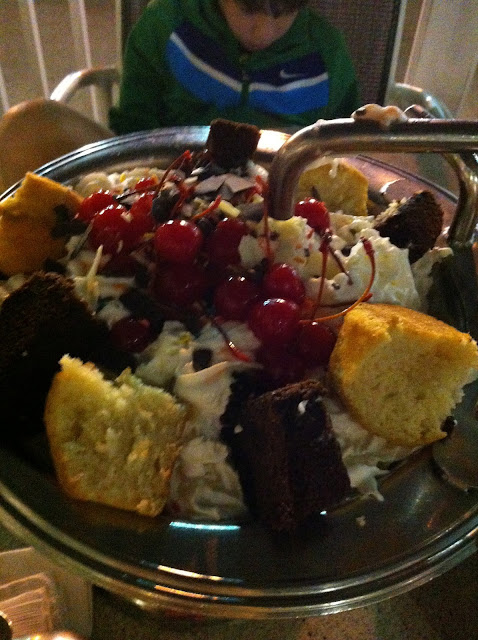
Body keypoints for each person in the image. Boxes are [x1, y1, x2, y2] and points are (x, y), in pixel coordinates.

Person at [109, 0, 360, 134]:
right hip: (173, 187)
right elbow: (134, 130)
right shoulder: (163, 26)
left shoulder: (329, 53)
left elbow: (341, 149)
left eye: (284, 12)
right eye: (247, 9)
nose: (263, 34)